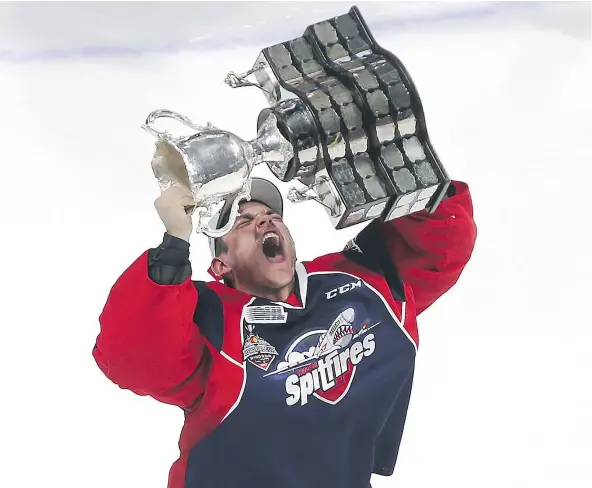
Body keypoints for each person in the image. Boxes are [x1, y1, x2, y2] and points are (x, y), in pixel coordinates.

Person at [93, 149, 477, 488]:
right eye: (243, 221)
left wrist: (384, 163)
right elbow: (134, 358)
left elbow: (439, 244)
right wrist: (174, 243)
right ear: (219, 264)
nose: (265, 222)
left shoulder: (358, 280)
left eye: (272, 215)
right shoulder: (209, 316)